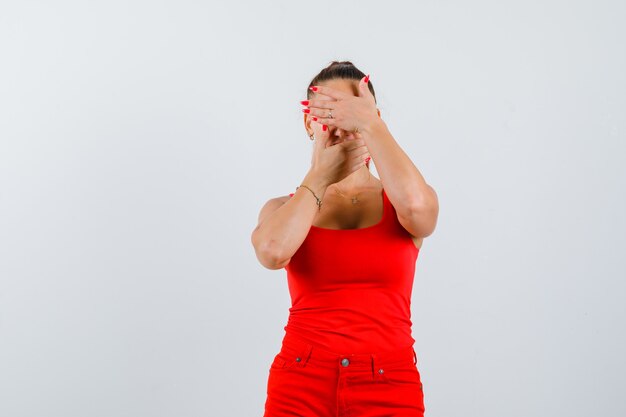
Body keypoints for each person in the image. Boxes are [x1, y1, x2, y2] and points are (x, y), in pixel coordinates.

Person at [251, 61, 439, 417]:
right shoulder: (283, 207)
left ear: (374, 117)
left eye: (353, 111)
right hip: (300, 379)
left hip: (389, 383)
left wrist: (370, 125)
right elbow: (272, 252)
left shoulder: (401, 202)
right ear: (310, 122)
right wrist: (321, 175)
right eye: (330, 112)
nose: (344, 124)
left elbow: (420, 212)